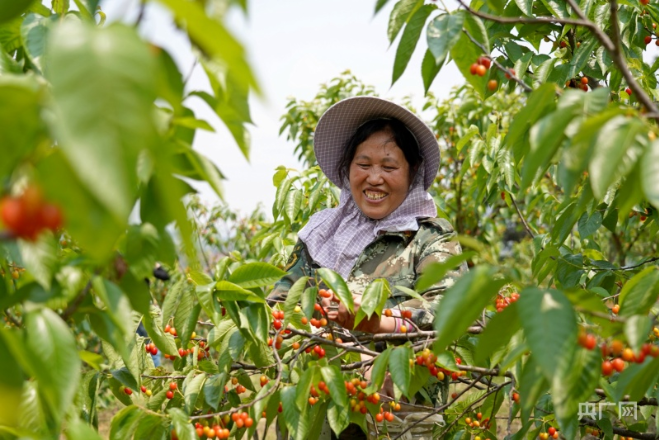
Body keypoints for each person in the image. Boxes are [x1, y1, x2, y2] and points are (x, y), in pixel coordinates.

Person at [268, 96, 466, 335]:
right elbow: (279, 307)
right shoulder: (322, 232)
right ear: (348, 168)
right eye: (363, 165)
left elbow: (447, 305)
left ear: (412, 172)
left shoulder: (429, 238)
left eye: (389, 167)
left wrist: (380, 322)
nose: (374, 179)